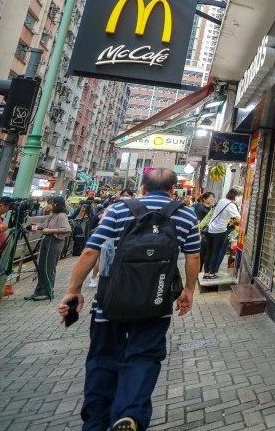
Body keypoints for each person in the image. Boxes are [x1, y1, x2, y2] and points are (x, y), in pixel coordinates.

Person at [58, 167, 200, 431]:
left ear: (142, 188)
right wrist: (188, 290)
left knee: (102, 359)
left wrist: (74, 289)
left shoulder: (118, 209)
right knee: (144, 357)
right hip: (156, 302)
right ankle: (131, 413)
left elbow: (90, 251)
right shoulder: (185, 214)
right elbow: (193, 256)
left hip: (110, 301)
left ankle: (96, 422)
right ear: (173, 190)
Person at [26, 196, 71, 301]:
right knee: (41, 267)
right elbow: (44, 227)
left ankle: (47, 292)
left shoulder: (61, 216)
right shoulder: (52, 216)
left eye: (49, 203)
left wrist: (50, 231)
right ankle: (39, 291)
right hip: (47, 241)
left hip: (54, 243)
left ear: (55, 204)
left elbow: (67, 229)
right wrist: (35, 227)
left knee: (49, 268)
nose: (47, 206)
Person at [202, 188, 240, 280]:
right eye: (240, 196)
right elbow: (239, 218)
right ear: (236, 196)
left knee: (209, 252)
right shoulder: (231, 205)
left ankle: (206, 273)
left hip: (210, 229)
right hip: (219, 231)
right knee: (216, 252)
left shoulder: (222, 200)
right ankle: (212, 274)